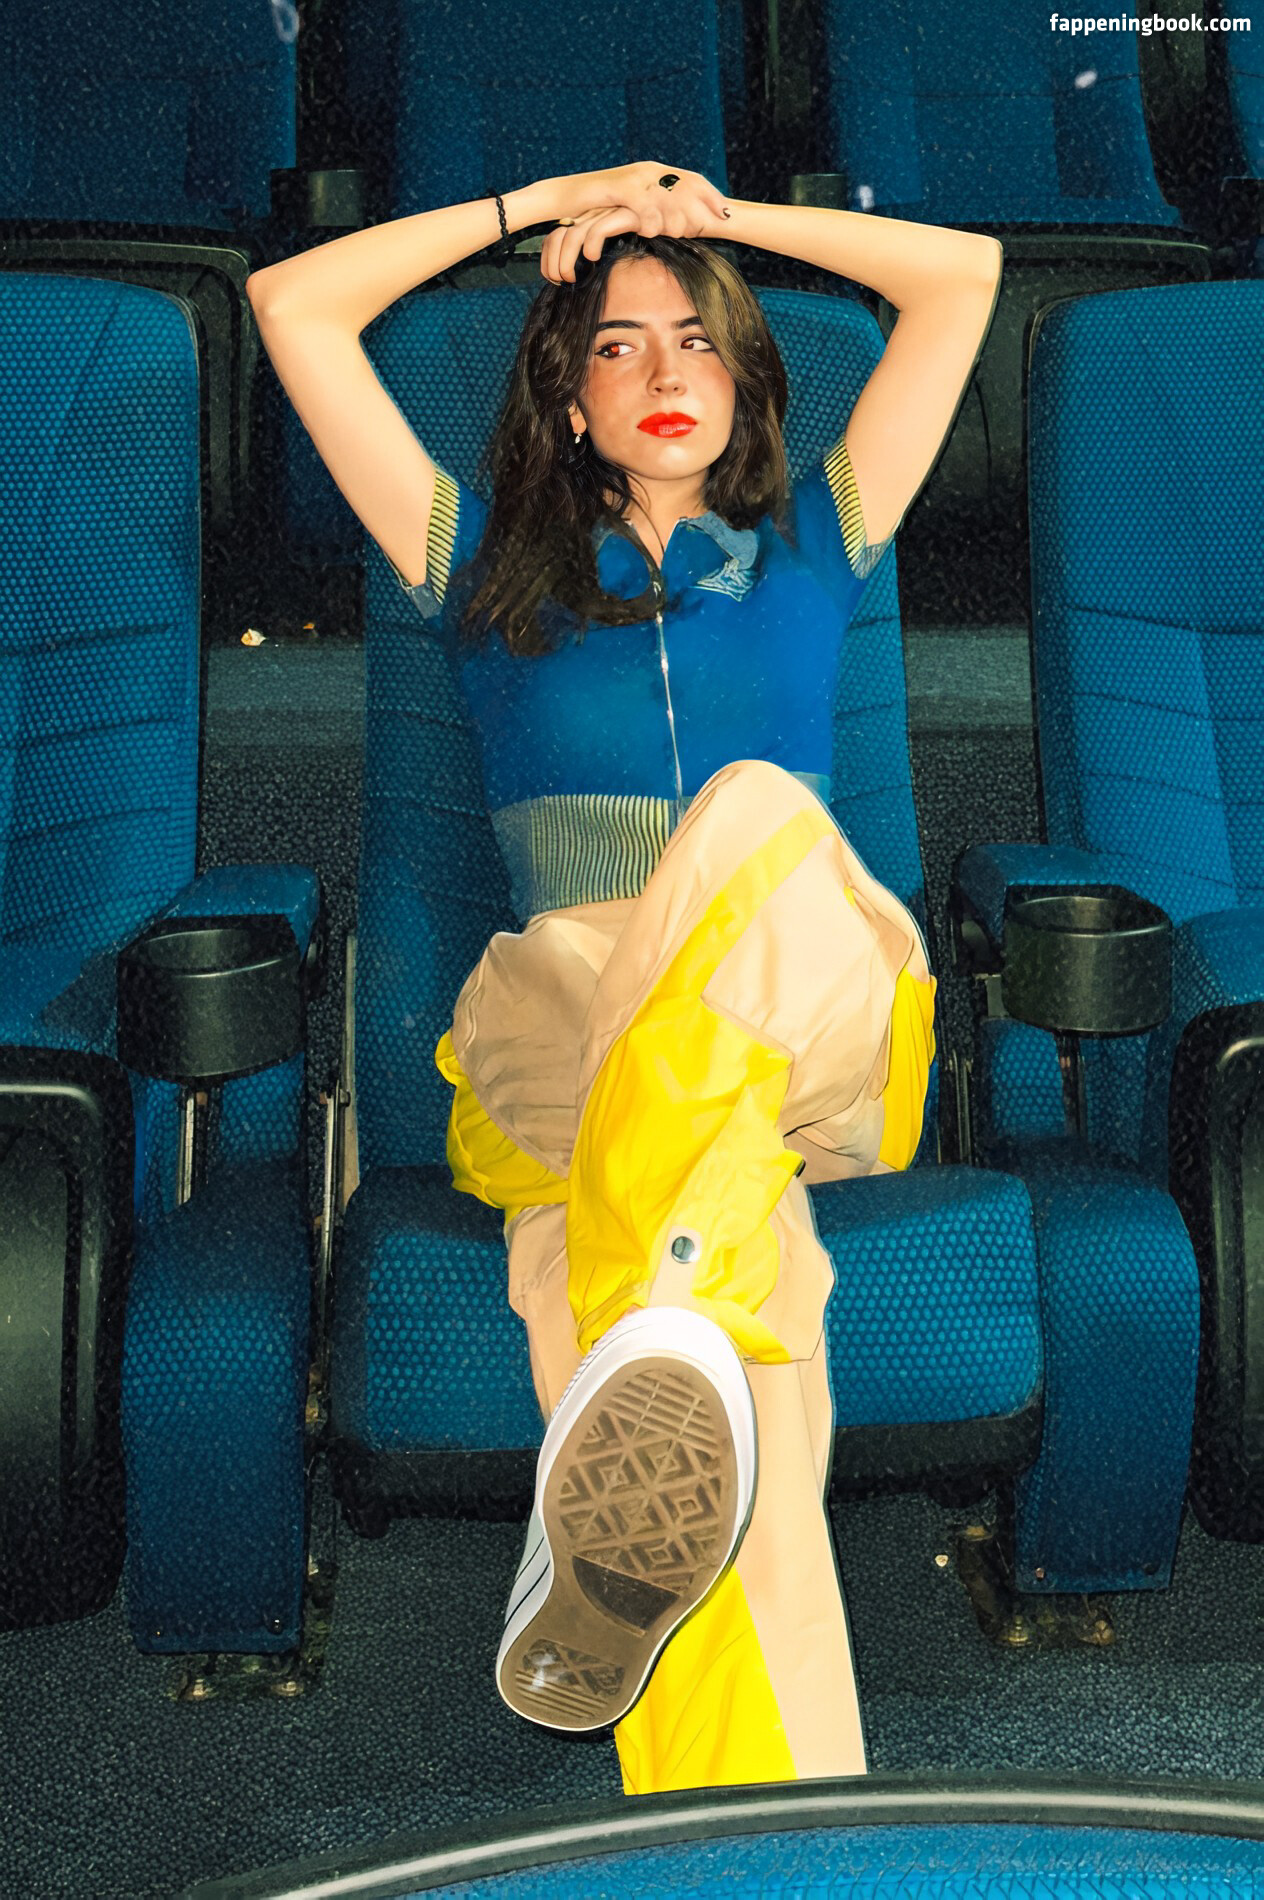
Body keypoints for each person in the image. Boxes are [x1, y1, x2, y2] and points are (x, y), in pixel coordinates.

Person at [246, 161, 1003, 1794]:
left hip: (812, 1037)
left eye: (698, 340)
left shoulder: (818, 542)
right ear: (567, 400)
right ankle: (762, 1825)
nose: (663, 370)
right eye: (617, 345)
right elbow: (291, 306)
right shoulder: (472, 565)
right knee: (707, 1324)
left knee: (756, 816)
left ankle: (657, 1301)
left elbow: (962, 276)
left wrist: (724, 223)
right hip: (579, 1053)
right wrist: (532, 208)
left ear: (745, 383)